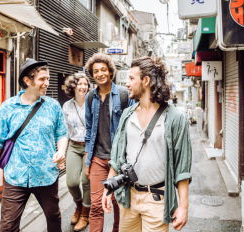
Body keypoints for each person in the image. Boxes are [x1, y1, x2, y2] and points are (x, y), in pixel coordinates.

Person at [102, 56, 192, 232]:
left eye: (131, 78)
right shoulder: (127, 114)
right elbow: (117, 156)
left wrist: (183, 206)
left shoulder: (175, 118)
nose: (127, 83)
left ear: (146, 80)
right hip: (129, 197)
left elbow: (183, 168)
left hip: (157, 200)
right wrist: (109, 188)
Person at [0, 59, 68, 232]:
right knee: (7, 226)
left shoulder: (53, 106)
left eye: (48, 78)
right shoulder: (8, 108)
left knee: (53, 216)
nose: (47, 83)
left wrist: (61, 151)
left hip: (46, 174)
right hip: (15, 176)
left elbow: (62, 133)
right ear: (27, 81)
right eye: (42, 79)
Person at [84, 53, 135, 232]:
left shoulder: (123, 94)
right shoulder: (90, 97)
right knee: (96, 205)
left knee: (118, 204)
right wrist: (87, 160)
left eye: (103, 70)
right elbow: (89, 131)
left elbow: (131, 127)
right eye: (96, 71)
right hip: (97, 158)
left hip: (119, 160)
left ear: (110, 71)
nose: (100, 74)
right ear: (92, 74)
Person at [62, 73, 91, 231]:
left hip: (89, 146)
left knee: (86, 181)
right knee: (72, 182)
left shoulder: (93, 103)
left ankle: (85, 214)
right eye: (79, 84)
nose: (83, 87)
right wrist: (62, 151)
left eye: (85, 84)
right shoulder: (67, 106)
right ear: (73, 87)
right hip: (73, 145)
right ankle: (78, 206)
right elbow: (65, 131)